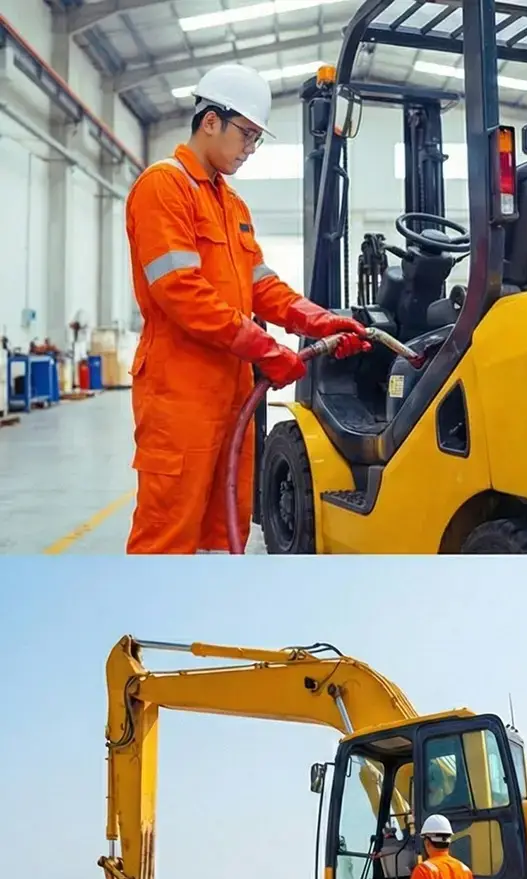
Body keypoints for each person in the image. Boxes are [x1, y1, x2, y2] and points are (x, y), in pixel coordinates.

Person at [124, 62, 369, 554]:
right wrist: (265, 348)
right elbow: (180, 292)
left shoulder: (231, 204)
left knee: (224, 528)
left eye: (257, 139)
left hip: (230, 393)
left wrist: (319, 321)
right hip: (181, 395)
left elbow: (263, 286)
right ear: (210, 120)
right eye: (247, 135)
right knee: (168, 533)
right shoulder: (163, 188)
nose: (250, 149)